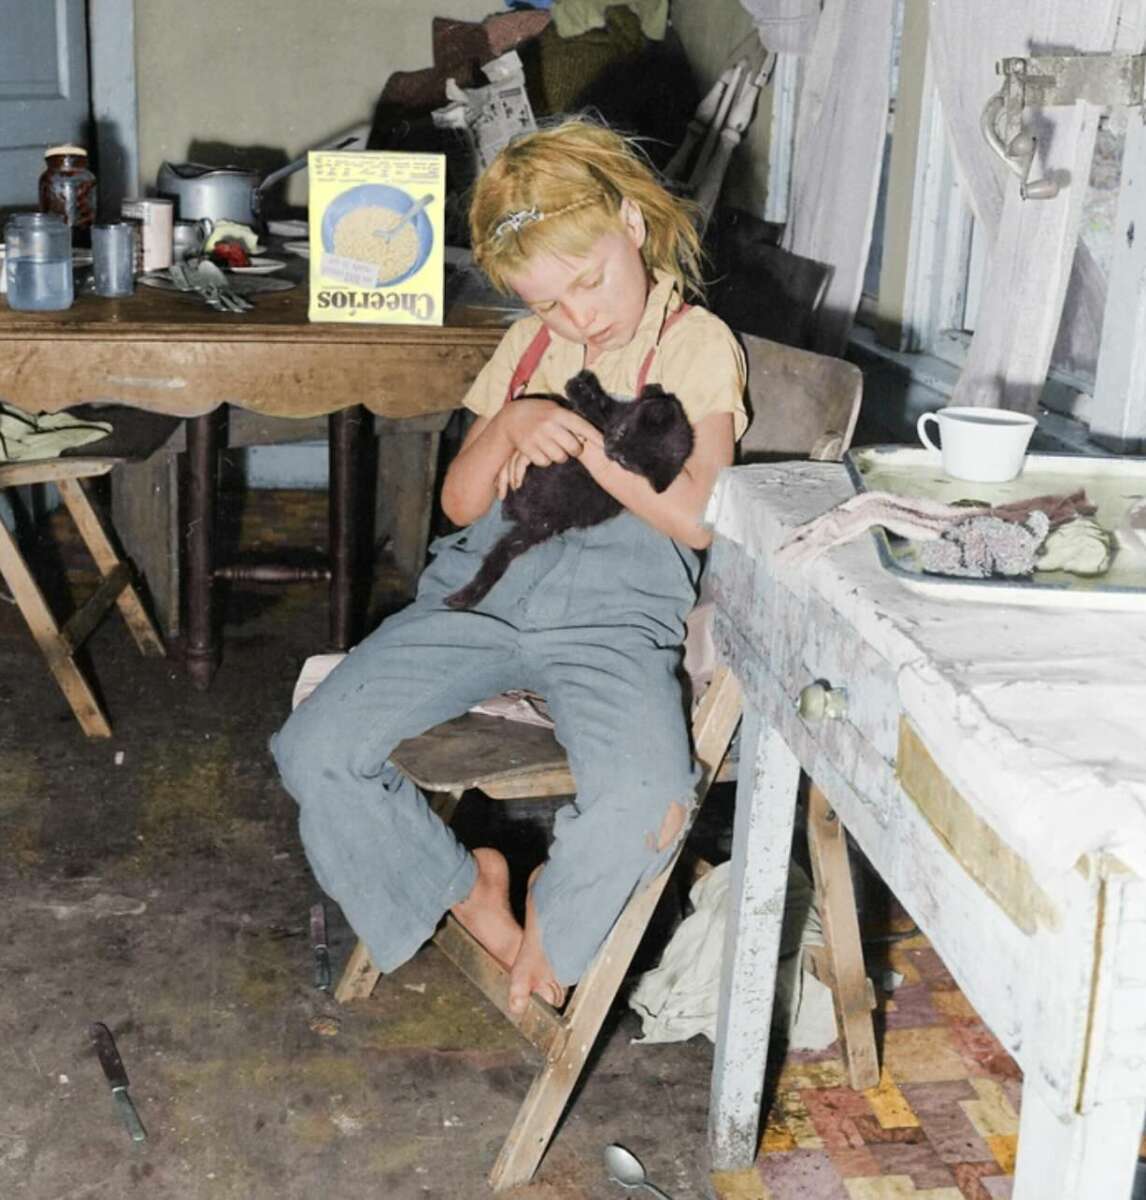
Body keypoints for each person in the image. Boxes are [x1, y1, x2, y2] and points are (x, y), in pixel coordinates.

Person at [272, 116, 748, 1015]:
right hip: (479, 594)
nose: (579, 317)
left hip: (612, 620)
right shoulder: (527, 348)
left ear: (633, 228)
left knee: (648, 799)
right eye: (547, 304)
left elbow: (696, 520)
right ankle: (465, 887)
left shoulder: (695, 344)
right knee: (316, 748)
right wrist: (507, 424)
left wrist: (594, 443)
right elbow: (458, 505)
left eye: (589, 282)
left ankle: (552, 926)